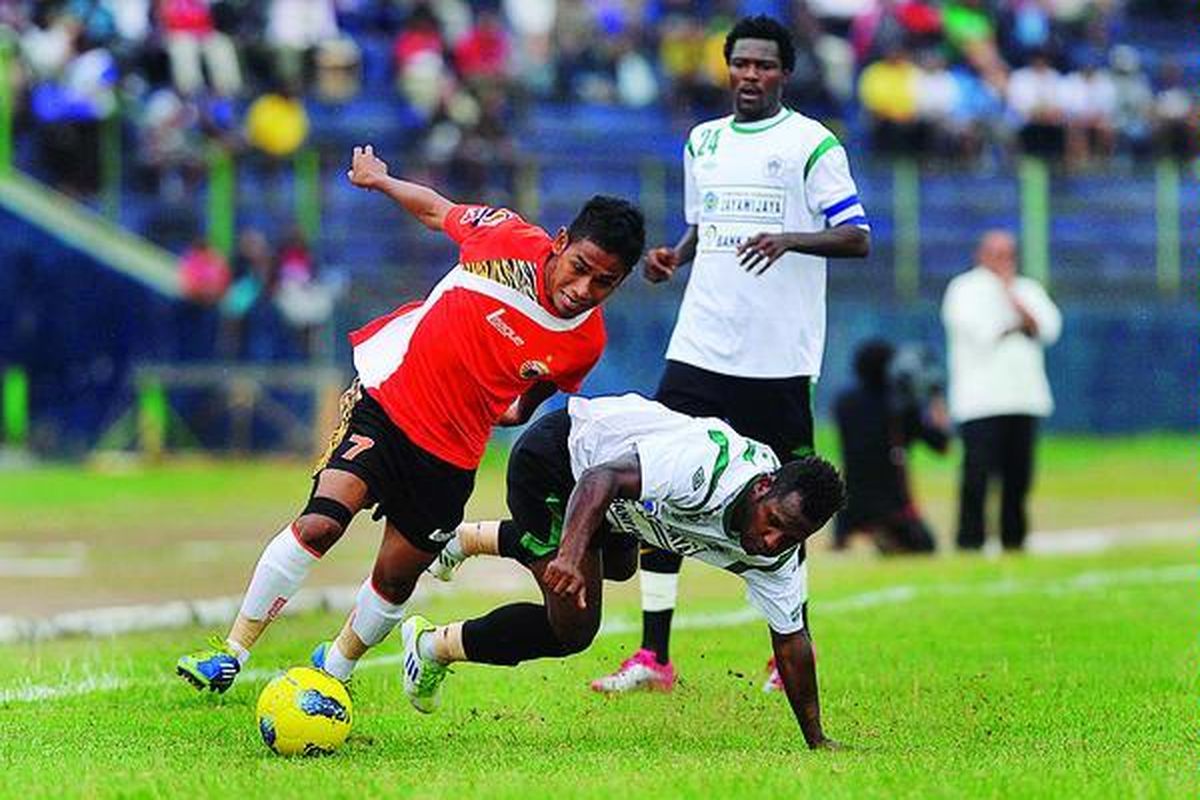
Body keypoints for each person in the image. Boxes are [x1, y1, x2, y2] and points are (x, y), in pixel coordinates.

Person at [175, 144, 646, 692]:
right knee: (321, 523)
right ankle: (230, 652)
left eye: (604, 283)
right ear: (560, 242)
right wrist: (381, 180)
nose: (582, 289)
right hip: (389, 403)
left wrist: (499, 408)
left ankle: (333, 673)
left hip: (451, 454)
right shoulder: (505, 238)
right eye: (579, 268)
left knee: (396, 578)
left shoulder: (585, 342)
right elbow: (435, 209)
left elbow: (529, 399)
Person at [593, 14, 870, 695]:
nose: (751, 75)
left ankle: (786, 650)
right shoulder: (703, 142)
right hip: (700, 345)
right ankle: (654, 656)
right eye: (741, 64)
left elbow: (857, 236)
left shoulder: (811, 144)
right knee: (655, 480)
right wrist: (675, 257)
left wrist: (788, 239)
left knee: (791, 501)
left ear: (784, 73)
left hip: (777, 358)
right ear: (728, 68)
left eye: (764, 65)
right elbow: (706, 222)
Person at [414, 393, 847, 749]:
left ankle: (467, 539)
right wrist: (569, 554)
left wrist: (817, 740)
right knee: (574, 628)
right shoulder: (706, 468)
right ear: (761, 487)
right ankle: (431, 646)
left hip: (615, 501)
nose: (771, 541)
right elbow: (600, 479)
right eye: (772, 522)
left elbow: (792, 642)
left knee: (619, 567)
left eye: (790, 537)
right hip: (558, 461)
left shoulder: (775, 556)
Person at [941, 230, 1061, 552]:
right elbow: (984, 332)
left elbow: (1047, 328)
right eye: (996, 253)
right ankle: (970, 540)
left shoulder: (1027, 288)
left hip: (1024, 398)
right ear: (981, 254)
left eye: (1008, 253)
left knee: (1018, 477)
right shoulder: (964, 289)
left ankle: (1014, 539)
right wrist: (1016, 324)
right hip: (980, 401)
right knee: (978, 476)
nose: (1003, 260)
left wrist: (1012, 297)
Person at [833, 340, 951, 554]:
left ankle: (853, 538)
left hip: (849, 504)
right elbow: (942, 445)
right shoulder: (899, 406)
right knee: (926, 547)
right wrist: (935, 397)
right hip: (892, 506)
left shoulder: (844, 403)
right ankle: (884, 535)